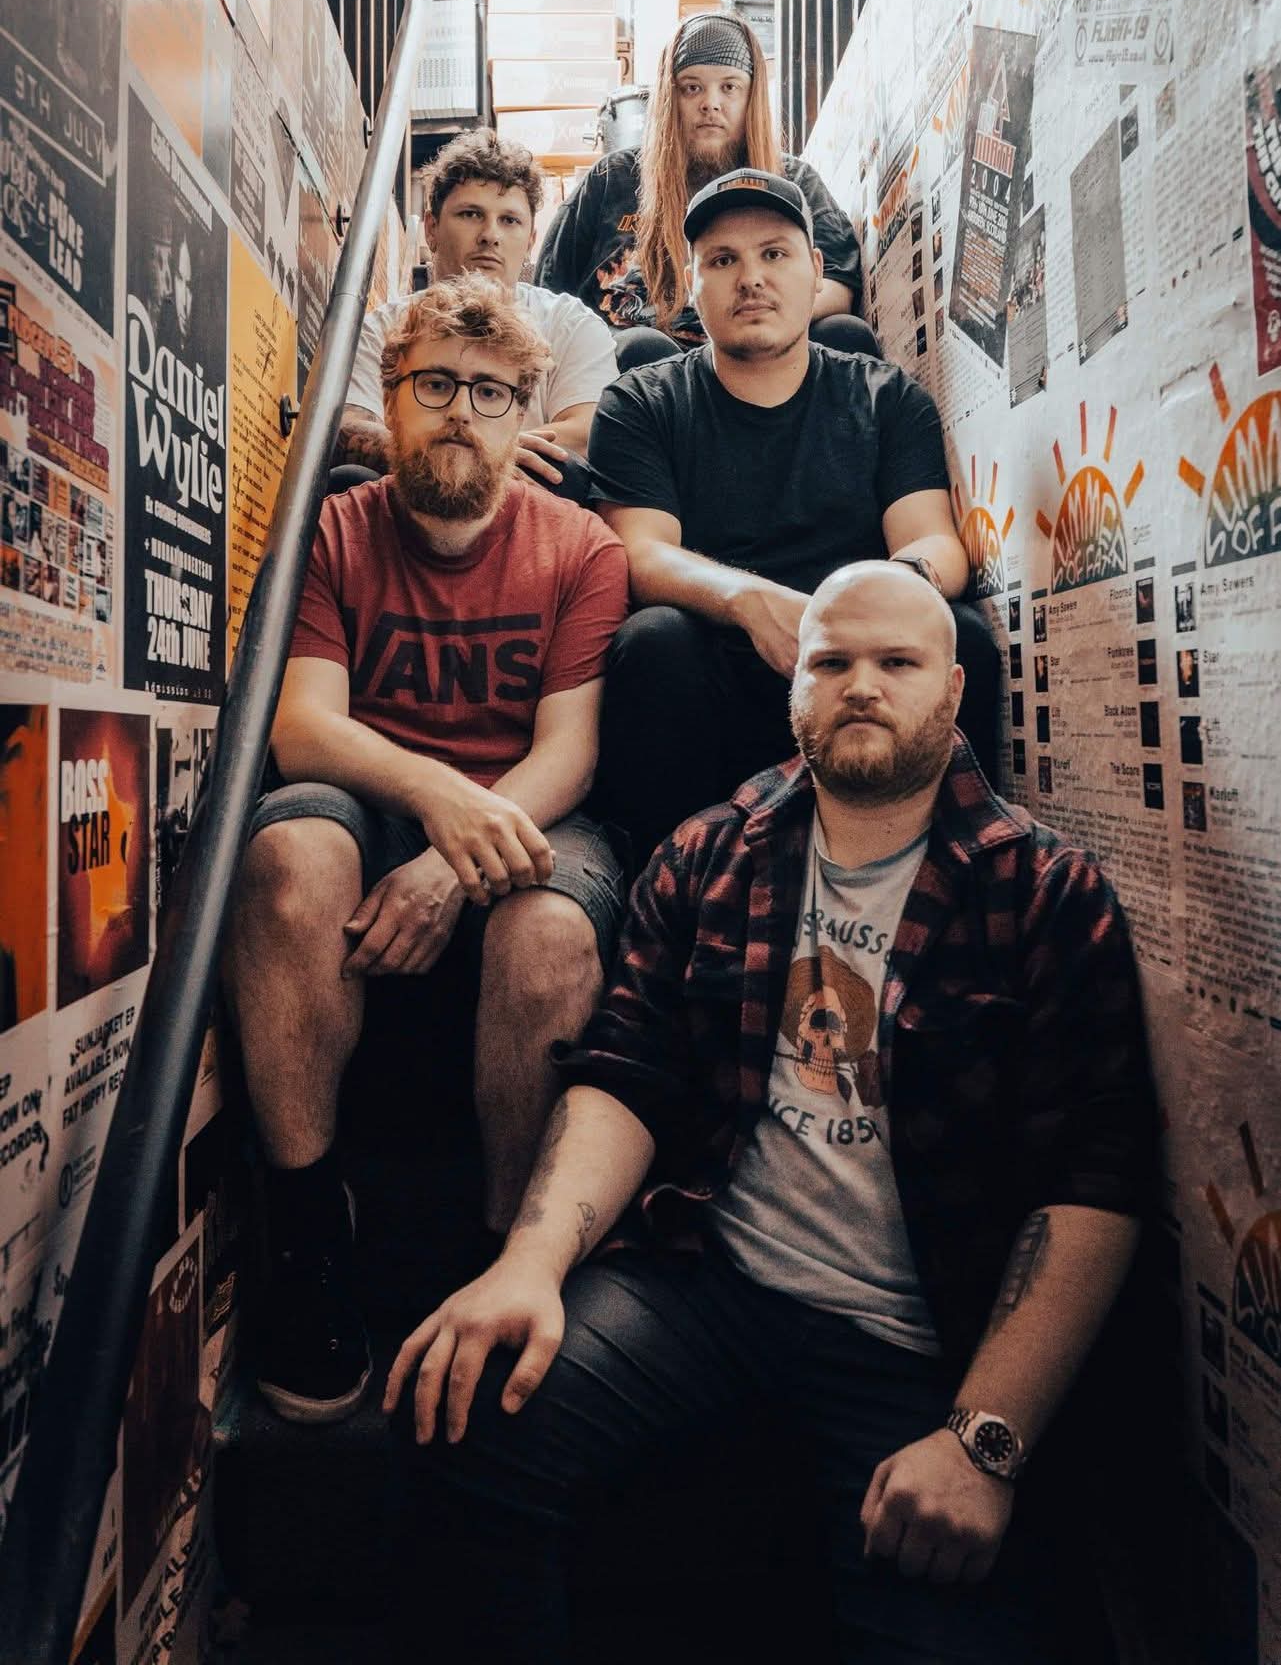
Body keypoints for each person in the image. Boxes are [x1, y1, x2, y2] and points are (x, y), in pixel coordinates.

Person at [384, 561, 1157, 1662]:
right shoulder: (710, 852)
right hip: (711, 1281)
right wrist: (529, 1265)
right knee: (463, 1408)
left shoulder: (1044, 891)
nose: (861, 686)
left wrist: (988, 1440)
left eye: (898, 663)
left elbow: (1095, 1178)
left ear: (954, 687)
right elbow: (626, 1071)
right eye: (831, 661)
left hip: (916, 1338)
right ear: (793, 687)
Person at [223, 275, 630, 1425]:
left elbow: (570, 757)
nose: (462, 412)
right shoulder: (337, 530)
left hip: (532, 810)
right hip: (374, 799)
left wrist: (458, 857)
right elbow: (303, 727)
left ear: (526, 411)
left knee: (551, 934)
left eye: (492, 393)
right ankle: (309, 1239)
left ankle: (502, 1262)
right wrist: (435, 804)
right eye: (436, 385)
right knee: (289, 866)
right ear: (389, 401)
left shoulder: (582, 549)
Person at [587, 166, 998, 863]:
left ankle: (961, 888)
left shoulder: (886, 398)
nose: (750, 279)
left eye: (773, 254)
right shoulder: (640, 403)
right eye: (723, 260)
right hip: (718, 658)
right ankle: (671, 905)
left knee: (962, 636)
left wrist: (882, 600)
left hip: (856, 664)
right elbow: (640, 552)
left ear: (813, 271)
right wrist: (750, 600)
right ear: (692, 286)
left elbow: (934, 537)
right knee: (651, 642)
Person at [535, 9, 876, 368]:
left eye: (729, 87)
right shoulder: (612, 179)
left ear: (751, 96)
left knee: (845, 333)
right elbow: (548, 295)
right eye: (692, 87)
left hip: (761, 364)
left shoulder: (794, 181)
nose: (710, 103)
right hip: (638, 380)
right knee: (644, 349)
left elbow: (838, 284)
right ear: (670, 97)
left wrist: (741, 324)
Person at [338, 130, 619, 502]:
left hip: (526, 508)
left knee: (567, 472)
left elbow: (588, 430)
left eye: (510, 221)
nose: (490, 235)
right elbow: (351, 428)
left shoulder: (570, 323)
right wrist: (460, 460)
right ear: (432, 228)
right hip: (414, 504)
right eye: (471, 214)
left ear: (531, 240)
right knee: (348, 478)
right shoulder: (383, 328)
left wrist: (479, 460)